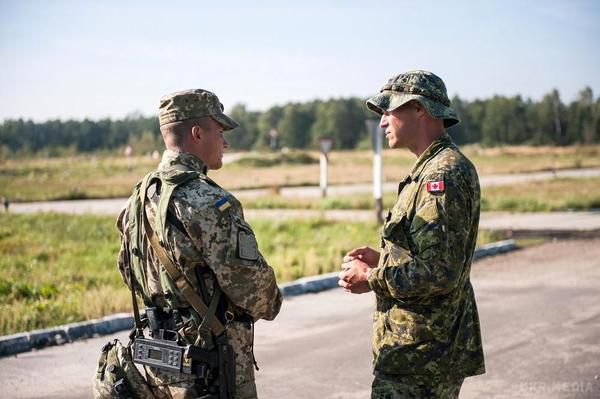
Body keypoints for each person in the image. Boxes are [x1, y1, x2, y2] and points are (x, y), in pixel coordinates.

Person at [115, 89, 282, 398]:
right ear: (196, 133)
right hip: (206, 368)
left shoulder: (135, 200)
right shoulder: (208, 202)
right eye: (219, 132)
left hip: (154, 362)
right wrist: (273, 301)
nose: (226, 142)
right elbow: (256, 291)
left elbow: (128, 272)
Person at [338, 70, 485, 398]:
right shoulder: (430, 170)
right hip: (417, 353)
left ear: (419, 108)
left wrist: (373, 277)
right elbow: (432, 256)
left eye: (389, 111)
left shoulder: (442, 175)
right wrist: (386, 258)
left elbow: (441, 272)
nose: (382, 122)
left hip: (422, 359)